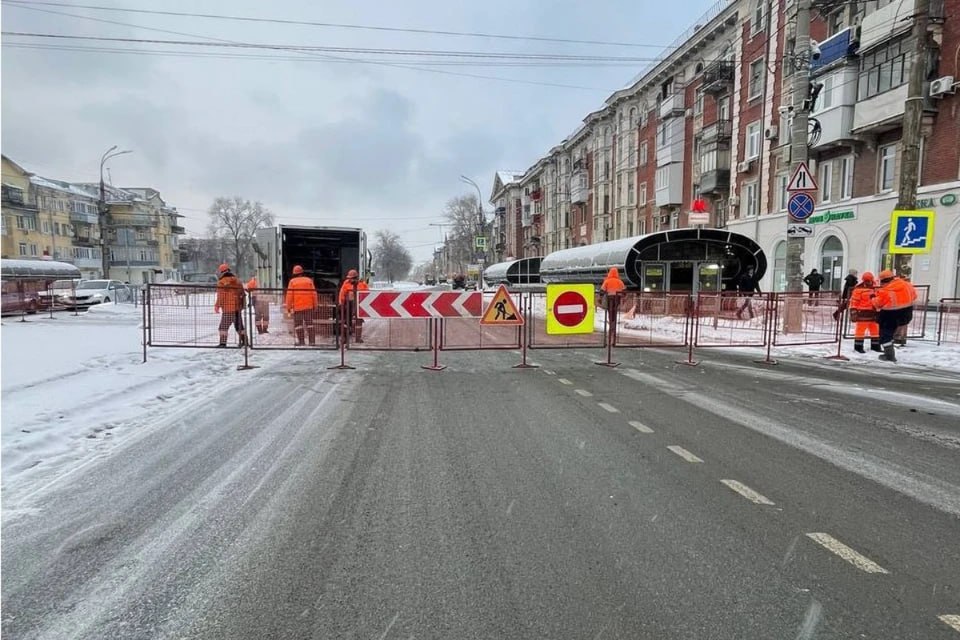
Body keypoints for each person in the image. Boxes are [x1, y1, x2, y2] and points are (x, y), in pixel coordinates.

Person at [872, 269, 916, 362]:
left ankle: (889, 355)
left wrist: (873, 298)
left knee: (885, 335)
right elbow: (914, 296)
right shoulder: (907, 285)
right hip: (906, 313)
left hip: (890, 315)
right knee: (892, 333)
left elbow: (878, 304)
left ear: (883, 280)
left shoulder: (886, 290)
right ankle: (889, 352)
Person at [213, 263, 247, 348]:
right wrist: (242, 305)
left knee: (223, 327)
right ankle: (245, 342)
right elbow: (242, 294)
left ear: (221, 272)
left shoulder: (221, 282)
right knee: (239, 326)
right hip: (237, 308)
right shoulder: (238, 281)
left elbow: (221, 295)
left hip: (228, 308)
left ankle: (222, 343)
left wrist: (217, 305)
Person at [285, 265, 318, 346]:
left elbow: (289, 295)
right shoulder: (309, 280)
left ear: (294, 273)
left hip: (298, 308)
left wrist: (288, 307)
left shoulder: (292, 282)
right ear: (302, 272)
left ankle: (301, 342)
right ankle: (312, 342)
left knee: (298, 325)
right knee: (310, 324)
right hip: (308, 307)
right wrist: (315, 306)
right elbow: (314, 294)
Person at [848, 271, 881, 353]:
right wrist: (853, 311)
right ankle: (858, 347)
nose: (868, 282)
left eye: (869, 280)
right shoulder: (858, 289)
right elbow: (854, 301)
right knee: (860, 331)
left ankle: (876, 346)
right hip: (862, 313)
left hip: (874, 312)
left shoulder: (876, 288)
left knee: (875, 330)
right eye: (866, 280)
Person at [338, 268, 369, 343]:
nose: (350, 280)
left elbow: (367, 294)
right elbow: (342, 294)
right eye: (349, 278)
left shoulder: (362, 284)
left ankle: (358, 339)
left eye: (351, 279)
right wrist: (341, 303)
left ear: (356, 278)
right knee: (346, 322)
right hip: (348, 304)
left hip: (359, 304)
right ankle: (344, 338)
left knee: (359, 322)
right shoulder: (346, 283)